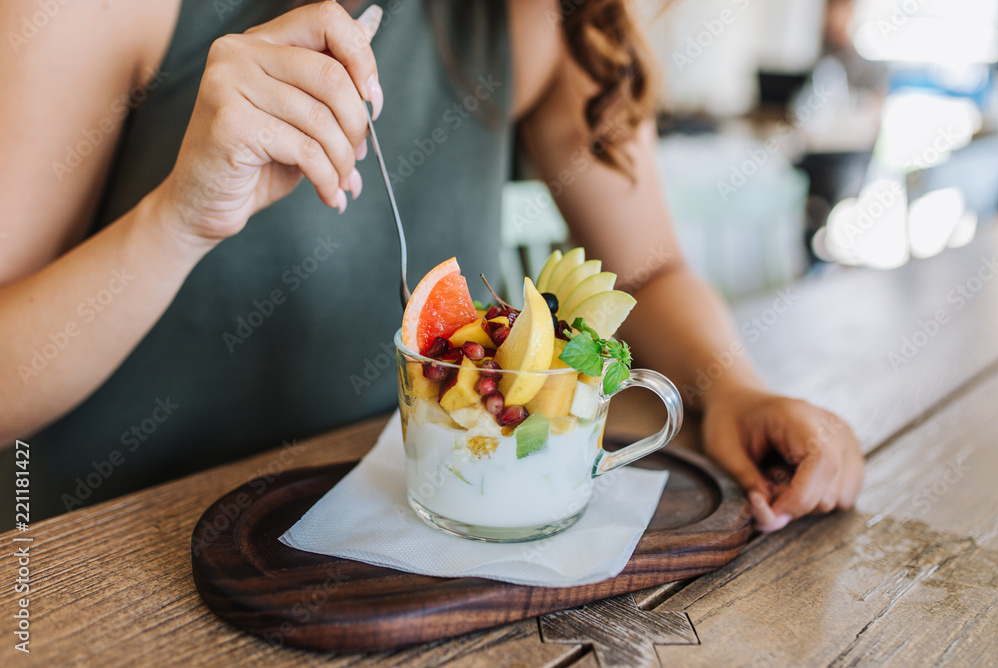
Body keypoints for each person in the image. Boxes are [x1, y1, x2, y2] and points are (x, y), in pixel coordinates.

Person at [0, 0, 863, 531]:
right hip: (88, 568)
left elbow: (647, 272)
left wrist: (735, 388)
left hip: (416, 550)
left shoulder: (548, 15)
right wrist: (176, 220)